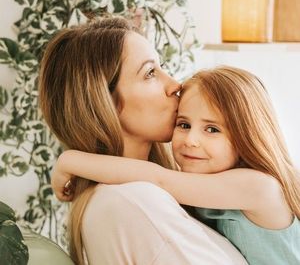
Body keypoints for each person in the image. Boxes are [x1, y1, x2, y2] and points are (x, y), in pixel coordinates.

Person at [39, 18, 247, 265]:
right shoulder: (136, 203)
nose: (174, 85)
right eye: (150, 73)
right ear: (105, 105)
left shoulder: (125, 198)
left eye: (162, 66)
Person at [52, 66, 300, 265]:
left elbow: (158, 178)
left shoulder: (258, 187)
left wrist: (70, 161)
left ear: (248, 135)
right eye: (183, 124)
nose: (191, 141)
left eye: (212, 129)